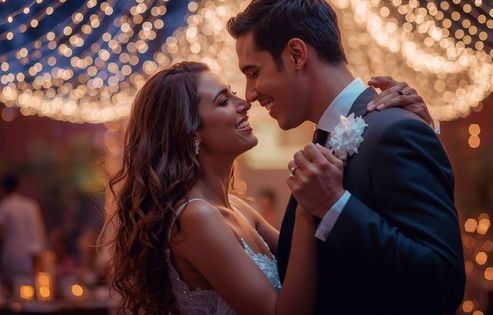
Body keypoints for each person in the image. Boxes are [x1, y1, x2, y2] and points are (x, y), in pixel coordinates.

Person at [107, 61, 427, 314]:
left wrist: (413, 131)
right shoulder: (196, 216)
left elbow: (321, 257)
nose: (244, 102)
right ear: (191, 132)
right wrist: (305, 208)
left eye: (232, 92)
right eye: (223, 101)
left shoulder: (237, 208)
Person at [228, 0, 465, 314]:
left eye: (254, 73)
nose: (249, 93)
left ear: (296, 54)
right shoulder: (328, 138)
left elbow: (442, 282)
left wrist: (336, 205)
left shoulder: (395, 131)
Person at [0, 174, 47, 283]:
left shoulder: (3, 207)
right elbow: (38, 233)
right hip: (32, 258)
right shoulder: (31, 205)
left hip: (12, 257)